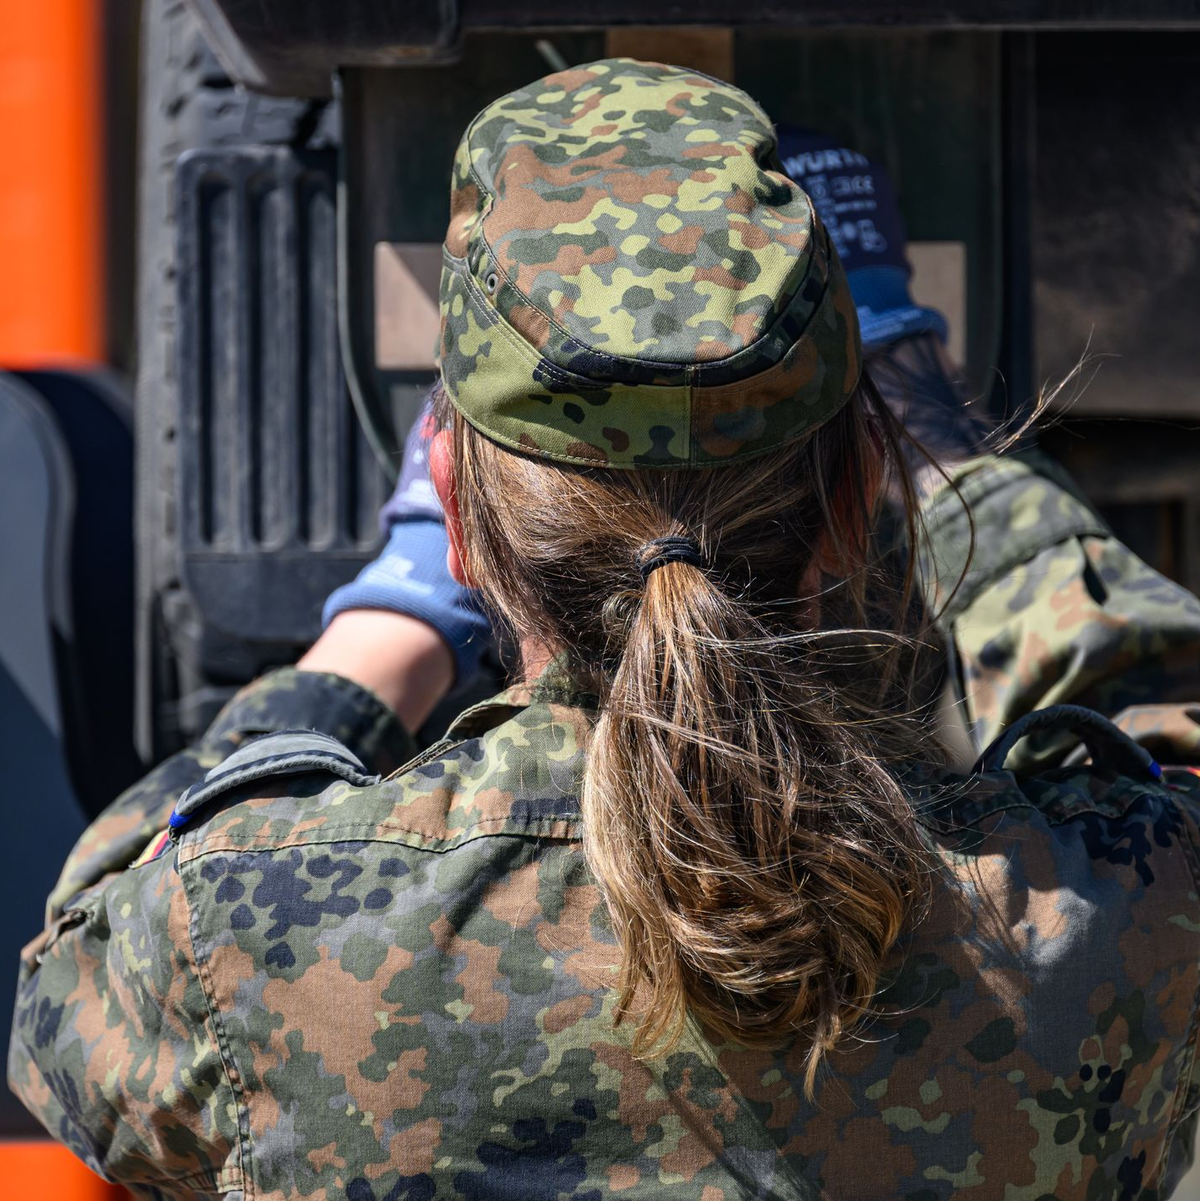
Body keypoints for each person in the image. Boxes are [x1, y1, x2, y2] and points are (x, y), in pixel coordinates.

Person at [11, 58, 1200, 1201]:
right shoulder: (1099, 927)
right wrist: (938, 443)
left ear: (466, 523)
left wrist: (386, 627)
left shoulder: (256, 942)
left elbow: (75, 962)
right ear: (849, 511)